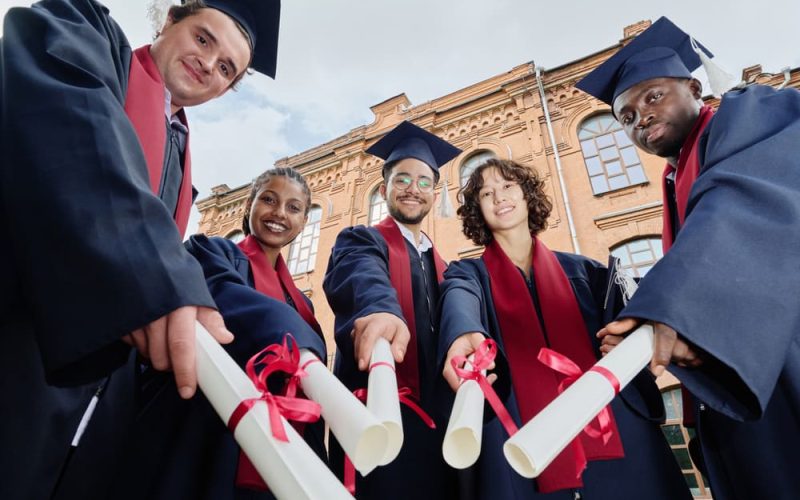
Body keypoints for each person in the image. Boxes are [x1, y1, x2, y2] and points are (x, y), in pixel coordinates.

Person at [0, 0, 280, 498]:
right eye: (203, 38)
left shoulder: (179, 149)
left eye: (226, 69)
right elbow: (73, 129)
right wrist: (159, 275)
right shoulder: (84, 35)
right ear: (170, 19)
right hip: (21, 344)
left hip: (97, 402)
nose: (208, 65)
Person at [577, 17, 800, 500]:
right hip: (746, 375)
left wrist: (670, 305)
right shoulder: (676, 179)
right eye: (627, 118)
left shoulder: (752, 111)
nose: (641, 119)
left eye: (652, 97)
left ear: (695, 87)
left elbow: (743, 206)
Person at [439, 158, 691, 500]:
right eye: (487, 193)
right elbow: (458, 298)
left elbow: (634, 315)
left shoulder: (585, 271)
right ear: (478, 210)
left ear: (527, 196)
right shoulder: (469, 275)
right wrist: (463, 332)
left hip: (610, 417)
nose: (499, 197)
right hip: (517, 425)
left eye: (508, 186)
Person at [111, 167, 328, 499]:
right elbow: (225, 295)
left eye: (294, 208)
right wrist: (294, 339)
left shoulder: (302, 304)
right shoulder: (214, 252)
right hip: (204, 425)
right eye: (268, 199)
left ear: (303, 222)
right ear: (248, 207)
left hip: (277, 444)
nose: (279, 213)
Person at [323, 120, 462, 499]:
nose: (412, 190)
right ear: (384, 189)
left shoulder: (445, 267)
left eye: (423, 182)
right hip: (377, 413)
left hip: (441, 421)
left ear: (435, 193)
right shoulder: (361, 240)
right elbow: (361, 277)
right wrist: (380, 309)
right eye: (402, 179)